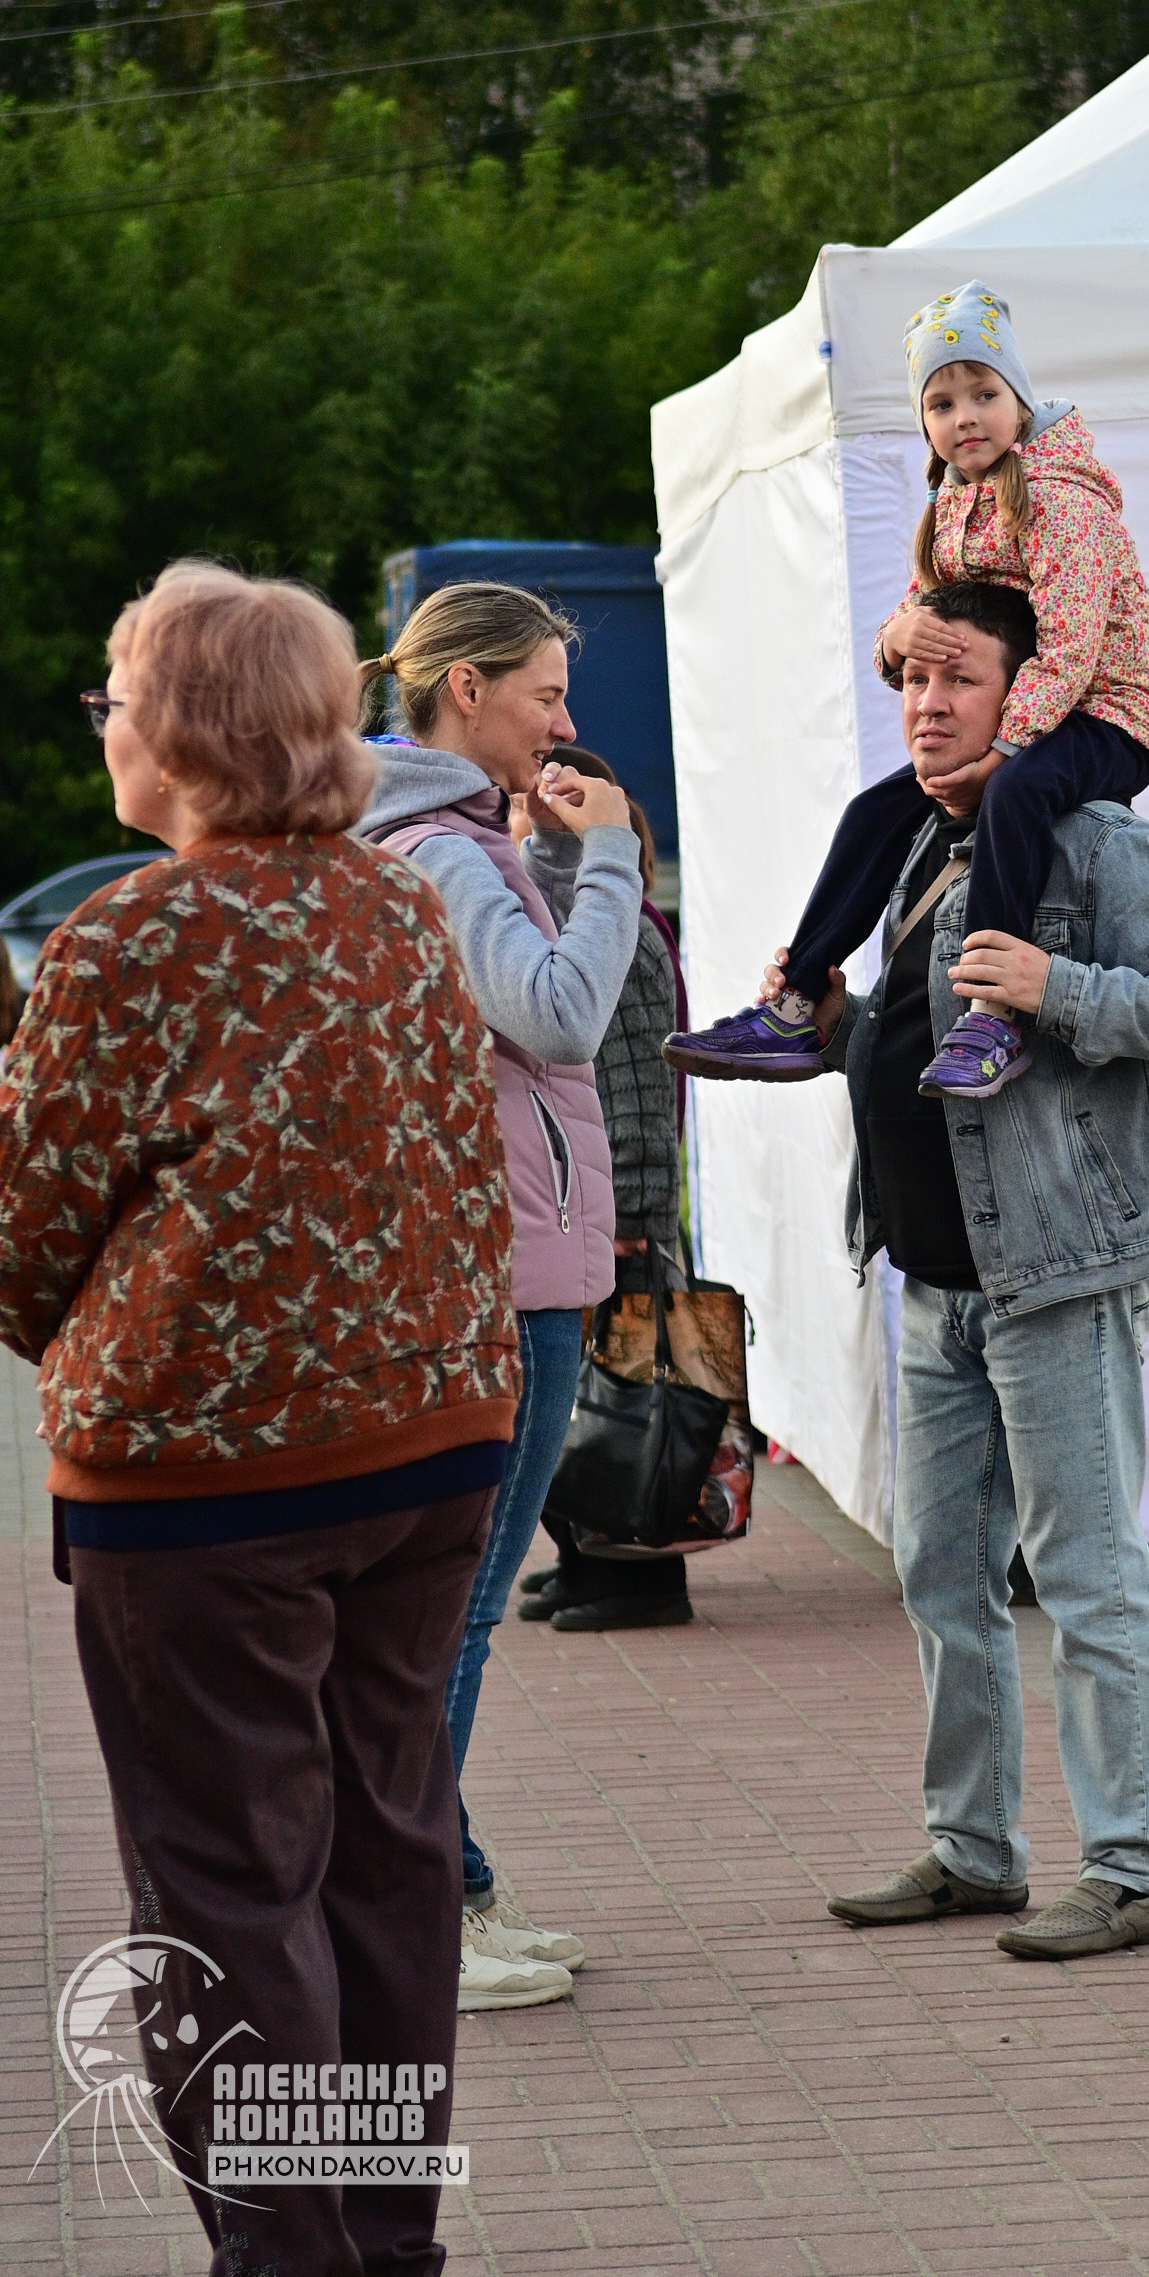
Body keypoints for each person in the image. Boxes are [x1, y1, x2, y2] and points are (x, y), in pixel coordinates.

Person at [0, 562, 519, 2277]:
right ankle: (381, 2242)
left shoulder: (125, 941)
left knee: (232, 1888)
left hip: (208, 1493)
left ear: (186, 732)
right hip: (433, 1452)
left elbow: (21, 1250)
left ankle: (290, 2255)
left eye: (115, 693)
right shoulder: (399, 909)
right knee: (380, 1854)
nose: (107, 724)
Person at [776, 581, 1149, 1958]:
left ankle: (1131, 1869)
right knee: (942, 1574)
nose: (926, 706)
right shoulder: (930, 841)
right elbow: (926, 1029)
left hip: (1056, 1274)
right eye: (913, 684)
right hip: (933, 1278)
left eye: (957, 680)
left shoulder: (1103, 846)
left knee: (1087, 1574)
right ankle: (974, 1850)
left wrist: (1063, 992)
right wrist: (837, 1025)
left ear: (1029, 695)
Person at [671, 284, 1149, 1098]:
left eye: (984, 393)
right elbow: (924, 615)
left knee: (1017, 794)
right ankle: (797, 1002)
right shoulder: (950, 504)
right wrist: (895, 638)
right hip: (1035, 710)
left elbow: (1072, 652)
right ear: (925, 424)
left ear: (1019, 401)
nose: (966, 416)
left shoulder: (1062, 501)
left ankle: (994, 1017)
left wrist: (1003, 751)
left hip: (1112, 710)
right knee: (877, 809)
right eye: (942, 403)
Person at [355, 582, 641, 2006]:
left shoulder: (431, 838)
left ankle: (448, 1883)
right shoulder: (443, 850)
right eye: (544, 691)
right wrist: (611, 870)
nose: (567, 721)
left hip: (494, 1257)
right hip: (508, 1275)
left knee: (444, 1607)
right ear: (465, 692)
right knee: (457, 1611)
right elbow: (558, 1014)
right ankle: (418, 1917)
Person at [511, 746, 754, 1634]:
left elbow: (640, 1092)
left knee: (631, 1395)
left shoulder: (623, 931)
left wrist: (637, 1217)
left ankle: (644, 1576)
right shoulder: (580, 920)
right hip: (596, 1204)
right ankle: (588, 1560)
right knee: (588, 1394)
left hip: (622, 1211)